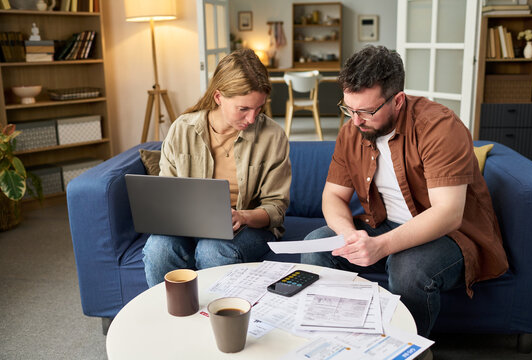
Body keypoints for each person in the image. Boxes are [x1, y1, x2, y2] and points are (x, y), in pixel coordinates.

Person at [301, 46, 508, 340]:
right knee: (317, 246)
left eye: (367, 111)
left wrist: (381, 246)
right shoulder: (353, 131)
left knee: (408, 267)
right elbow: (332, 196)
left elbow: (448, 214)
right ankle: (343, 338)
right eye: (349, 109)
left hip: (448, 235)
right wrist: (350, 235)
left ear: (398, 100)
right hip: (383, 224)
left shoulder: (438, 126)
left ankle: (410, 348)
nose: (356, 120)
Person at [143, 48, 291, 287]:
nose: (252, 119)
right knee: (159, 248)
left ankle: (218, 319)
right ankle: (172, 318)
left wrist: (242, 216)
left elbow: (276, 208)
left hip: (249, 226)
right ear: (218, 96)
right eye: (243, 109)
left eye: (259, 108)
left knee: (213, 249)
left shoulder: (272, 136)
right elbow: (166, 193)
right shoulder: (183, 129)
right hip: (187, 225)